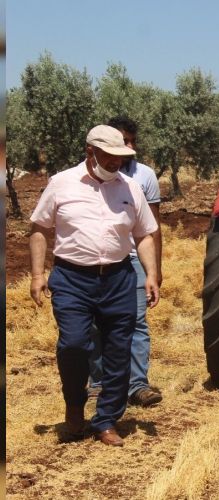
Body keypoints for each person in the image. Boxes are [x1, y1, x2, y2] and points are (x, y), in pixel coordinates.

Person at [29, 125, 160, 447]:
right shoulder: (61, 183)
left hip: (118, 278)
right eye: (110, 156)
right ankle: (75, 405)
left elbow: (144, 234)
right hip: (72, 278)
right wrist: (36, 275)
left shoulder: (130, 187)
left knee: (118, 350)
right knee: (74, 344)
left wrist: (151, 274)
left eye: (121, 157)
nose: (117, 162)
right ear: (91, 152)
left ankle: (105, 420)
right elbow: (38, 227)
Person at [86, 116, 164, 407]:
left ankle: (137, 385)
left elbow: (153, 226)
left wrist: (155, 268)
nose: (128, 146)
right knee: (97, 323)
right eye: (123, 141)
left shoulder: (145, 176)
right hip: (99, 261)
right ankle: (98, 383)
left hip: (134, 260)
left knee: (137, 322)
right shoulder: (89, 176)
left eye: (132, 140)